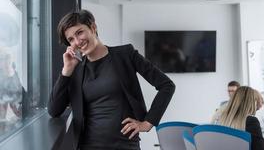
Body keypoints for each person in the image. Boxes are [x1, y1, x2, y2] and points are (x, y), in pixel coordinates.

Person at [47, 9, 175, 150]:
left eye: (79, 32)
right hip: (88, 145)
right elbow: (54, 110)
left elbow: (166, 85)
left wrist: (148, 122)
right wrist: (66, 71)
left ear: (93, 27)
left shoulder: (125, 54)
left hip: (124, 144)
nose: (77, 41)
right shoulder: (75, 68)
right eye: (71, 39)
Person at [218, 86, 264, 150]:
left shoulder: (223, 118)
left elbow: (237, 143)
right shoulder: (251, 121)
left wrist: (260, 142)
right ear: (252, 102)